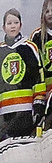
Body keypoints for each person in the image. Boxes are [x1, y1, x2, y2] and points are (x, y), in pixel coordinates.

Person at [0, 9, 46, 140]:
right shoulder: (1, 51)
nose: (13, 26)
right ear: (4, 27)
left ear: (20, 25)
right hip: (5, 115)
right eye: (9, 23)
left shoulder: (30, 47)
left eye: (16, 22)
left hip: (26, 111)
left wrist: (39, 104)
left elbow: (39, 79)